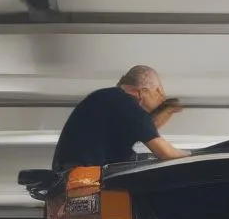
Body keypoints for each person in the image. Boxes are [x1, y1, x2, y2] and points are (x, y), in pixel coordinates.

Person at [52, 65, 190, 171]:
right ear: (144, 91)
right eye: (159, 91)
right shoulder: (127, 103)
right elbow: (165, 152)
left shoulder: (108, 98)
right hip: (83, 179)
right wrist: (196, 156)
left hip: (67, 175)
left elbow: (145, 128)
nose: (162, 97)